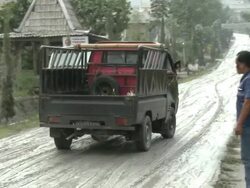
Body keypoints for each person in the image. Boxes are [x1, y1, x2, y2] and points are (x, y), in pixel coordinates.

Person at [235, 51, 250, 188]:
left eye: (238, 63)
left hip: (248, 127)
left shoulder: (249, 79)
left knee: (248, 161)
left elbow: (248, 102)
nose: (236, 66)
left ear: (244, 64)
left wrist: (239, 124)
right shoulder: (246, 78)